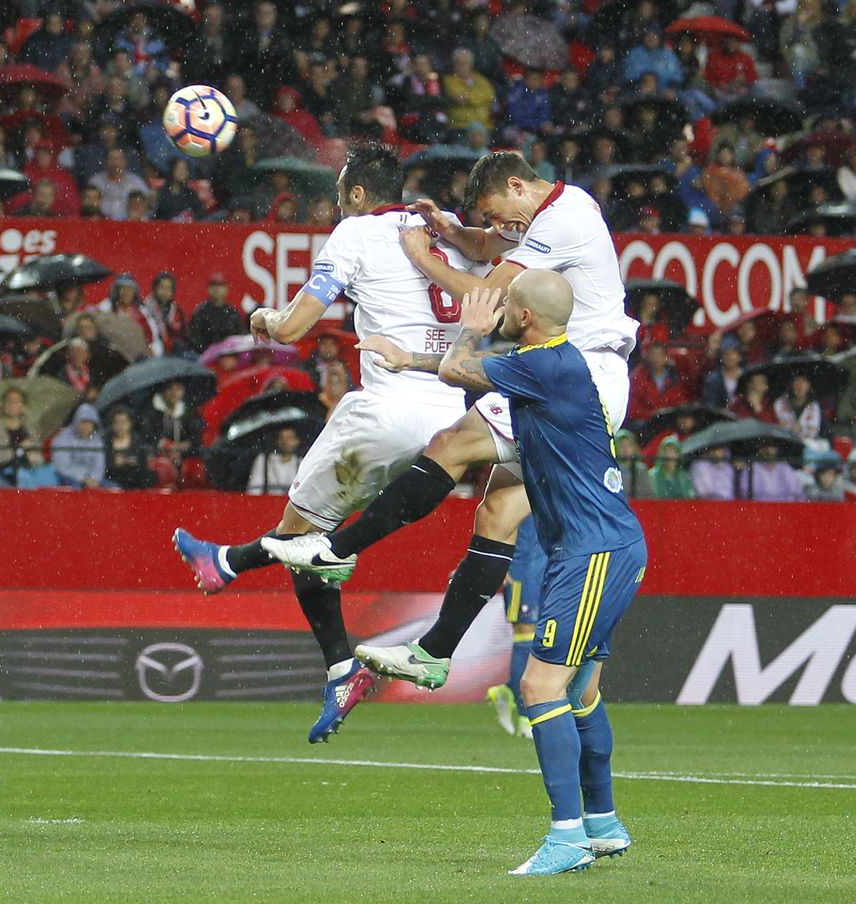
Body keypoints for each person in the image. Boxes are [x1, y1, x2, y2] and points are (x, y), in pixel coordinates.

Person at [264, 151, 638, 698]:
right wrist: (454, 231)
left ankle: (337, 550)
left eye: (495, 213)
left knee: (451, 444)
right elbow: (488, 248)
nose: (497, 227)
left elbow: (485, 296)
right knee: (497, 512)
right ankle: (434, 654)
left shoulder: (564, 219)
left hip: (577, 378)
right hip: (568, 379)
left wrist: (424, 255)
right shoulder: (556, 211)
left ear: (517, 186)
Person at [172, 143, 479, 742]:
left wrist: (263, 318)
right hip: (450, 422)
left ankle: (232, 569)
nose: (336, 204)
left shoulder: (355, 233)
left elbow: (293, 327)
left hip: (386, 413)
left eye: (340, 194)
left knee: (300, 534)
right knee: (310, 538)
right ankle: (313, 640)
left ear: (358, 195)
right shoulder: (440, 231)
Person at [346, 271, 644, 874]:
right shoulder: (551, 364)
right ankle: (603, 823)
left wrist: (467, 331)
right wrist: (408, 357)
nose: (501, 308)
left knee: (539, 689)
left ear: (526, 318)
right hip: (606, 544)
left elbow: (462, 369)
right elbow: (472, 376)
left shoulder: (547, 366)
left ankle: (566, 838)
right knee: (580, 690)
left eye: (508, 303)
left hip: (592, 552)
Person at [488, 514, 543, 740]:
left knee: (542, 638)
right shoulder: (520, 482)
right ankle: (525, 716)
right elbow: (497, 516)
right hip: (521, 570)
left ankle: (508, 690)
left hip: (549, 566)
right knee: (526, 634)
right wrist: (498, 562)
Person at [246, 425, 302, 495]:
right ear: (277, 441)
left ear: (297, 441)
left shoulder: (302, 464)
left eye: (290, 438)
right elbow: (253, 491)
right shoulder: (263, 460)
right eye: (282, 438)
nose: (285, 442)